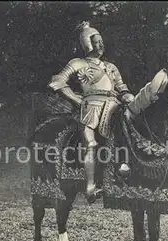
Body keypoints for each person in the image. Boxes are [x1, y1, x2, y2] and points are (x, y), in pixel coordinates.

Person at [48, 22, 134, 203]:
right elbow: (57, 81)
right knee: (91, 144)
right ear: (88, 43)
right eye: (97, 42)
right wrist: (75, 98)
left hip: (114, 105)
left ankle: (125, 169)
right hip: (90, 107)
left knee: (130, 129)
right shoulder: (78, 63)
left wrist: (126, 95)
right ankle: (90, 186)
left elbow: (121, 87)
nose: (101, 45)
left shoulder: (111, 67)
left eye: (102, 42)